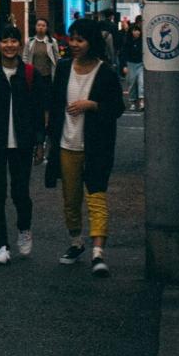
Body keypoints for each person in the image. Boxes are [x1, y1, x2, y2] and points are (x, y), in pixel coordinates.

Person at [45, 17, 125, 278]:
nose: (75, 44)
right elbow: (56, 105)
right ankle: (76, 242)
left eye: (81, 39)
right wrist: (48, 139)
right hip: (67, 144)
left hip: (96, 145)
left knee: (96, 196)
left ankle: (98, 252)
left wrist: (93, 105)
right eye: (72, 38)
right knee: (71, 198)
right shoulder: (64, 67)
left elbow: (117, 108)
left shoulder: (106, 72)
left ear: (92, 42)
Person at [0, 25, 47, 266]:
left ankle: (24, 229)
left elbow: (39, 111)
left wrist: (40, 142)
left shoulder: (31, 74)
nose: (10, 45)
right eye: (5, 41)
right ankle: (1, 245)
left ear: (20, 44)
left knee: (20, 192)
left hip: (23, 144)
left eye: (14, 40)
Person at [24, 18, 59, 83]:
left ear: (47, 28)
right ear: (35, 27)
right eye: (39, 25)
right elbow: (25, 57)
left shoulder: (52, 42)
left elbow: (57, 58)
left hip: (47, 76)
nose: (41, 27)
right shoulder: (30, 41)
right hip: (33, 76)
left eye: (43, 26)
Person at [121, 22, 145, 111]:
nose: (137, 33)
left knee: (141, 82)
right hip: (130, 64)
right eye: (135, 31)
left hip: (141, 64)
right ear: (131, 32)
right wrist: (124, 66)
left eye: (138, 31)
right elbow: (123, 54)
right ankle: (132, 102)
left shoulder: (143, 41)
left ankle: (142, 101)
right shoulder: (127, 42)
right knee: (132, 84)